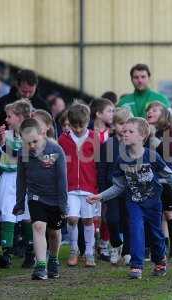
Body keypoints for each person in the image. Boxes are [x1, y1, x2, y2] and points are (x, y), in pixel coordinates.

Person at [87, 118, 172, 279]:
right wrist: (100, 196)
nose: (125, 134)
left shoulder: (152, 156)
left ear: (142, 135)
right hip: (134, 203)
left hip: (153, 203)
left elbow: (170, 176)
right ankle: (137, 266)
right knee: (136, 230)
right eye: (124, 131)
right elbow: (118, 186)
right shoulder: (121, 160)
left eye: (130, 131)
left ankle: (160, 261)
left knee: (156, 235)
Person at [13, 118, 68, 280]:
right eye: (27, 143)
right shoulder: (23, 153)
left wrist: (63, 205)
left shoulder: (56, 149)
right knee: (38, 226)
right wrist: (19, 202)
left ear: (42, 134)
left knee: (54, 233)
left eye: (34, 141)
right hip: (35, 196)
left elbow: (62, 180)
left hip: (55, 199)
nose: (31, 146)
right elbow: (21, 179)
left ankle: (53, 259)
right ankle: (41, 266)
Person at [58, 103, 99, 267]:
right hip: (71, 188)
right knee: (73, 219)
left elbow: (98, 163)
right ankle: (74, 249)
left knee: (88, 220)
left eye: (81, 125)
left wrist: (98, 187)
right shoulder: (63, 139)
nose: (78, 129)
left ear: (87, 121)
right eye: (74, 125)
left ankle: (89, 252)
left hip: (89, 187)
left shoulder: (94, 138)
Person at [0, 100, 34, 268]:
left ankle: (30, 252)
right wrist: (0, 141)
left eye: (10, 116)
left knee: (27, 214)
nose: (6, 119)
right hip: (8, 177)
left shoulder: (32, 136)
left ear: (20, 118)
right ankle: (6, 253)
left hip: (26, 177)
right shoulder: (7, 135)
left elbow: (20, 155)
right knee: (7, 212)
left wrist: (4, 145)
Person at [145, 102, 172, 259]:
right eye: (149, 110)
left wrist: (154, 140)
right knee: (151, 213)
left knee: (169, 214)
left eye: (154, 109)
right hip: (149, 178)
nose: (150, 112)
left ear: (164, 113)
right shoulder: (144, 131)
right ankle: (155, 245)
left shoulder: (170, 132)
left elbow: (167, 154)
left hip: (165, 179)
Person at [97, 107, 131, 265]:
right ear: (113, 125)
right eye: (120, 123)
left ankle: (127, 251)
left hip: (131, 189)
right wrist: (103, 190)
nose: (123, 127)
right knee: (112, 219)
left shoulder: (134, 145)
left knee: (129, 220)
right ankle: (116, 244)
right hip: (112, 189)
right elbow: (102, 167)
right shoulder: (109, 145)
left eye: (126, 123)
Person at [89, 98, 115, 261]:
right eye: (109, 111)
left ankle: (104, 244)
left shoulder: (111, 134)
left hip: (106, 177)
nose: (113, 114)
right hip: (90, 176)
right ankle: (89, 244)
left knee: (107, 212)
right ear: (98, 114)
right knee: (91, 213)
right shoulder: (87, 132)